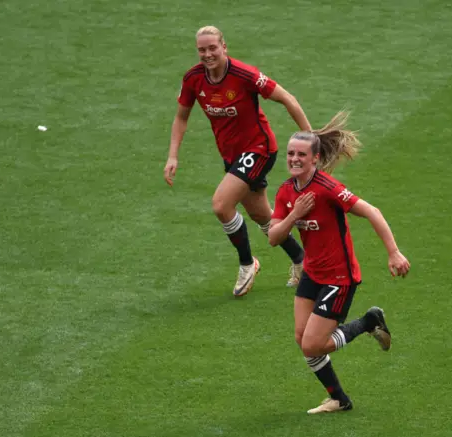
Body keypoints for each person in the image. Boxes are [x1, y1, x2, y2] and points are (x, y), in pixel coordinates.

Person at [268, 111, 411, 414]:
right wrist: (295, 215)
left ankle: (368, 322)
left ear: (315, 159)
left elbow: (372, 211)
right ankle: (339, 399)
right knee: (301, 337)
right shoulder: (286, 192)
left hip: (339, 277)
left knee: (312, 344)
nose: (294, 158)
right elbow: (274, 236)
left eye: (301, 154)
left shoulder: (328, 189)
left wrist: (394, 252)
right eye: (291, 153)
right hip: (313, 273)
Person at [164, 25, 310, 297]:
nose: (207, 54)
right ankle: (302, 261)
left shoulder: (245, 75)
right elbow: (181, 116)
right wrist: (173, 155)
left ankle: (247, 263)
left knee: (221, 205)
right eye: (201, 50)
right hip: (232, 156)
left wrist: (310, 138)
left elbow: (286, 98)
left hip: (259, 149)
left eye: (212, 48)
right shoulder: (193, 79)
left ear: (224, 47)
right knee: (261, 215)